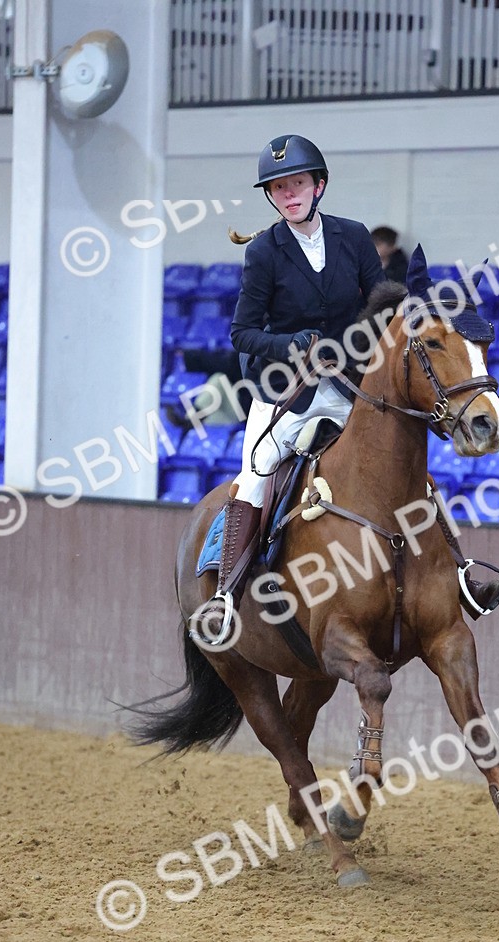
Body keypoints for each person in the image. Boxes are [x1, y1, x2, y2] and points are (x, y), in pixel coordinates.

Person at [200, 134, 386, 641]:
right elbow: (242, 332)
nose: (289, 194)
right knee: (256, 472)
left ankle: (453, 574)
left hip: (351, 384)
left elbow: (382, 303)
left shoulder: (353, 237)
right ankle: (224, 597)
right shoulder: (264, 252)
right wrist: (289, 345)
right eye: (279, 188)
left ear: (318, 185)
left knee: (399, 454)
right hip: (288, 390)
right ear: (272, 197)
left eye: (297, 183)